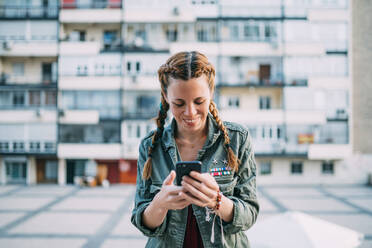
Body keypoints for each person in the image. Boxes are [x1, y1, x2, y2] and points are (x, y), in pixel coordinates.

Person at [131, 51, 259, 248]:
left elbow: (250, 212)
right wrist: (160, 204)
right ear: (165, 96)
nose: (190, 112)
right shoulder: (150, 146)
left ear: (211, 92)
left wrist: (217, 201)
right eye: (179, 103)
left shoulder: (237, 139)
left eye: (199, 101)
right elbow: (143, 223)